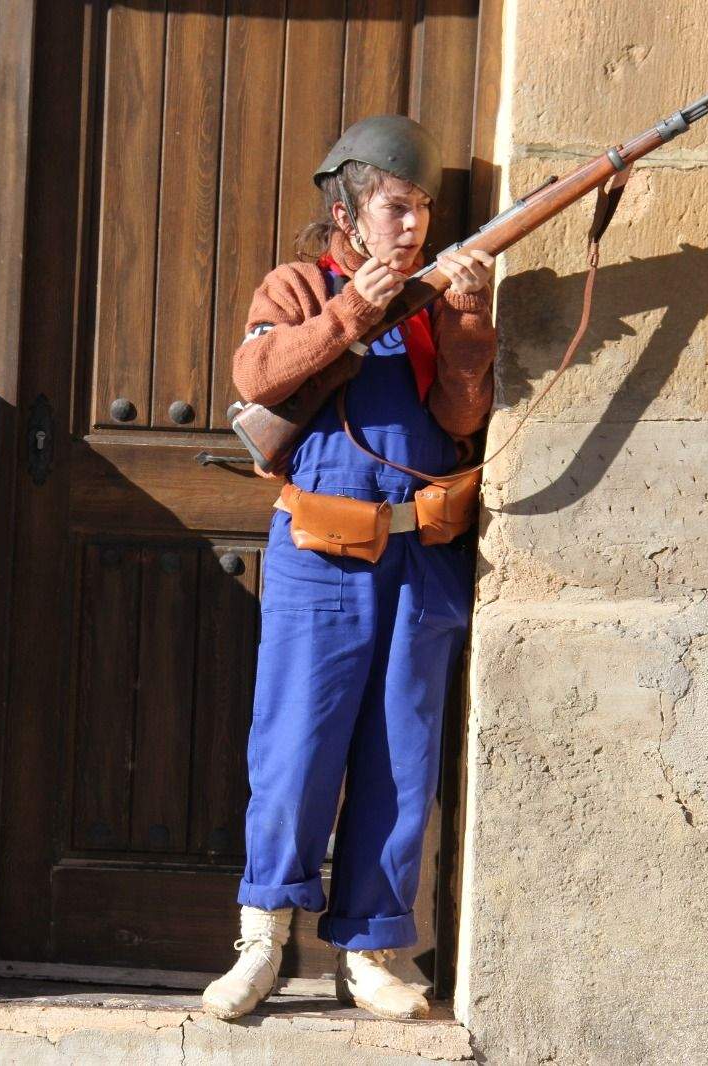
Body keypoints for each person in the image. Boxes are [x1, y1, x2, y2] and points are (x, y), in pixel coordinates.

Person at [201, 115, 497, 1022]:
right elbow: (258, 376)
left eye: (424, 209)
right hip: (320, 557)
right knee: (295, 749)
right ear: (347, 212)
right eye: (397, 206)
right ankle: (263, 941)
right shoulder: (298, 286)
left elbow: (460, 418)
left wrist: (468, 320)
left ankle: (372, 950)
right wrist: (351, 314)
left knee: (403, 759)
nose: (415, 224)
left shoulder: (431, 300)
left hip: (421, 556)